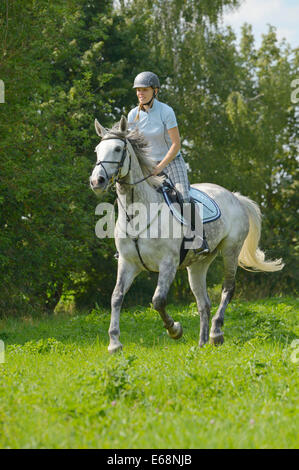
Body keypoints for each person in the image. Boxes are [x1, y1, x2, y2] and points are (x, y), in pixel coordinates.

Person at [127, 71, 209, 254]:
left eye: (144, 90)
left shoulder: (166, 111)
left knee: (183, 194)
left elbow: (176, 144)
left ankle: (197, 238)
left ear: (155, 91)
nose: (140, 93)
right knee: (130, 194)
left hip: (171, 161)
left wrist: (160, 167)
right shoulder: (133, 115)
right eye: (138, 90)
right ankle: (127, 242)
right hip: (147, 165)